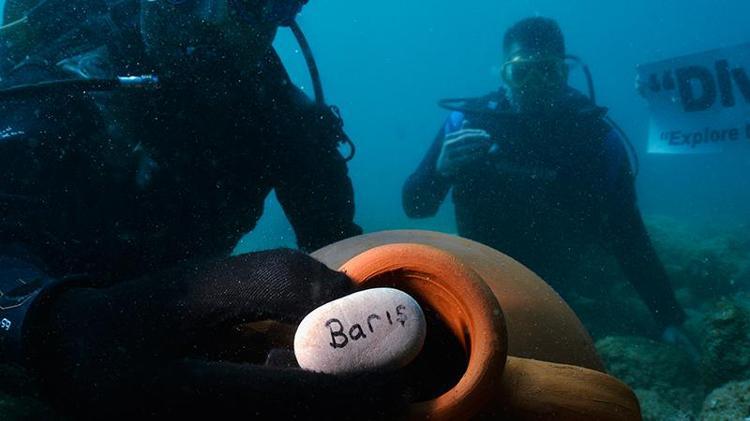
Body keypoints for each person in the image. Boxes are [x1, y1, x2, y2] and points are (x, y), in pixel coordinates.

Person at [0, 0, 407, 418]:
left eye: (257, 4)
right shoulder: (53, 84)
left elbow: (343, 256)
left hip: (171, 349)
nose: (215, 18)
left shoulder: (282, 121)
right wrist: (52, 323)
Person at [403, 17, 694, 350]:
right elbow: (415, 207)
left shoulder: (595, 138)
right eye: (521, 72)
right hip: (486, 276)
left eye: (547, 71)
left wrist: (668, 317)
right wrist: (440, 170)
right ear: (503, 74)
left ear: (564, 73)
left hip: (564, 284)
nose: (534, 85)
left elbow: (628, 233)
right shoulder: (466, 123)